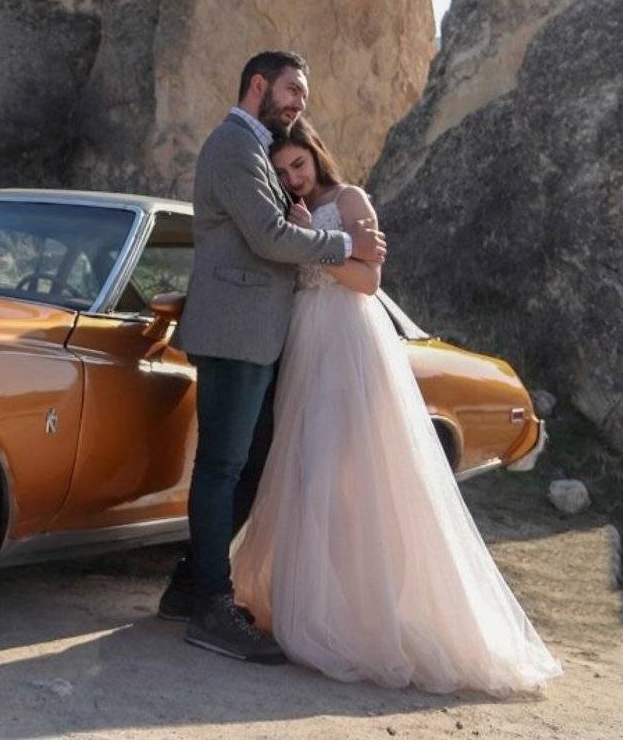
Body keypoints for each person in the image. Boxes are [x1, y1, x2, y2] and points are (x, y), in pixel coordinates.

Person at [228, 120, 562, 695]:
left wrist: (313, 242)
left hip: (350, 342)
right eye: (281, 172)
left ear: (316, 154)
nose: (293, 178)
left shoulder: (349, 200)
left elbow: (367, 279)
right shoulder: (287, 211)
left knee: (351, 479)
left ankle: (360, 618)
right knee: (304, 474)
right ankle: (306, 608)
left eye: (298, 165)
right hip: (304, 342)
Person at [162, 51, 387, 663]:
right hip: (237, 333)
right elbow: (268, 236)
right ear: (258, 84)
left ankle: (189, 585)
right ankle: (211, 605)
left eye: (303, 96)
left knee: (251, 466)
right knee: (223, 468)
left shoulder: (257, 149)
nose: (298, 104)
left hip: (261, 336)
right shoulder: (233, 144)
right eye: (292, 90)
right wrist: (345, 241)